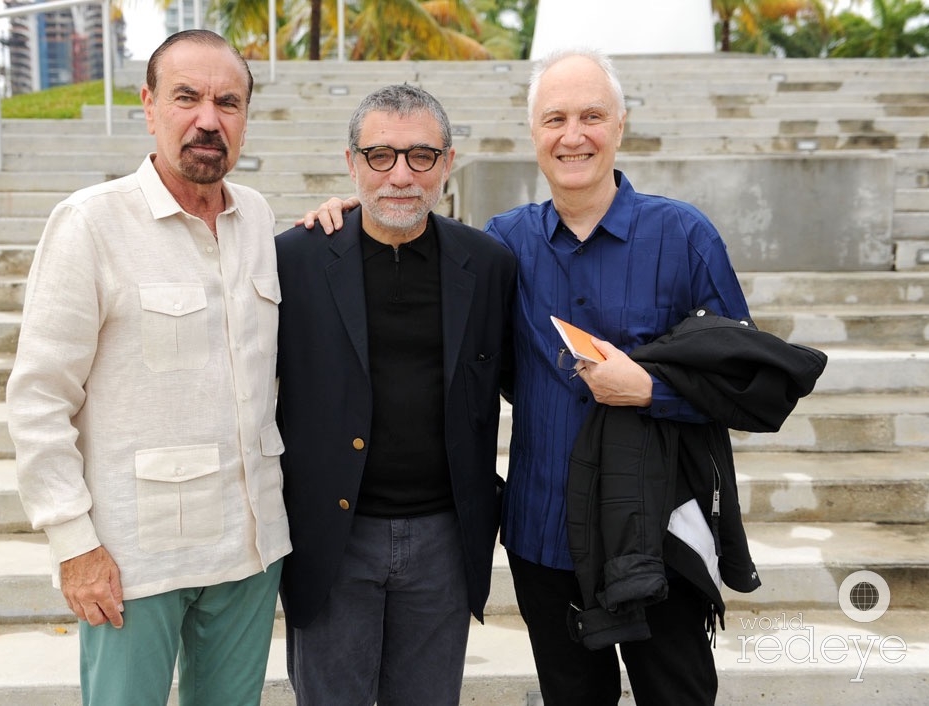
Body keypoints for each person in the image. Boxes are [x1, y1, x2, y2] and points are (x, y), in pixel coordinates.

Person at [302, 49, 761, 705]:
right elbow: (415, 250)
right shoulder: (501, 246)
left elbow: (748, 381)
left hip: (660, 528)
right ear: (535, 133)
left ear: (621, 125)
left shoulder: (684, 235)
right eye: (555, 119)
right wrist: (357, 214)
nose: (573, 135)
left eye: (591, 116)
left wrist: (652, 391)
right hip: (545, 536)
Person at [6, 30, 290, 706]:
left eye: (228, 102)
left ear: (245, 116)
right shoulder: (91, 224)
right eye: (186, 97)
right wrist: (74, 544)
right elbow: (39, 399)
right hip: (133, 559)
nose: (208, 119)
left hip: (249, 551)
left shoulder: (258, 219)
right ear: (149, 106)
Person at [274, 84, 516, 706]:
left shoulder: (488, 264)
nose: (400, 175)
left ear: (448, 162)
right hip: (332, 539)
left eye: (420, 156)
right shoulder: (293, 259)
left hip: (444, 540)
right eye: (380, 156)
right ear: (351, 162)